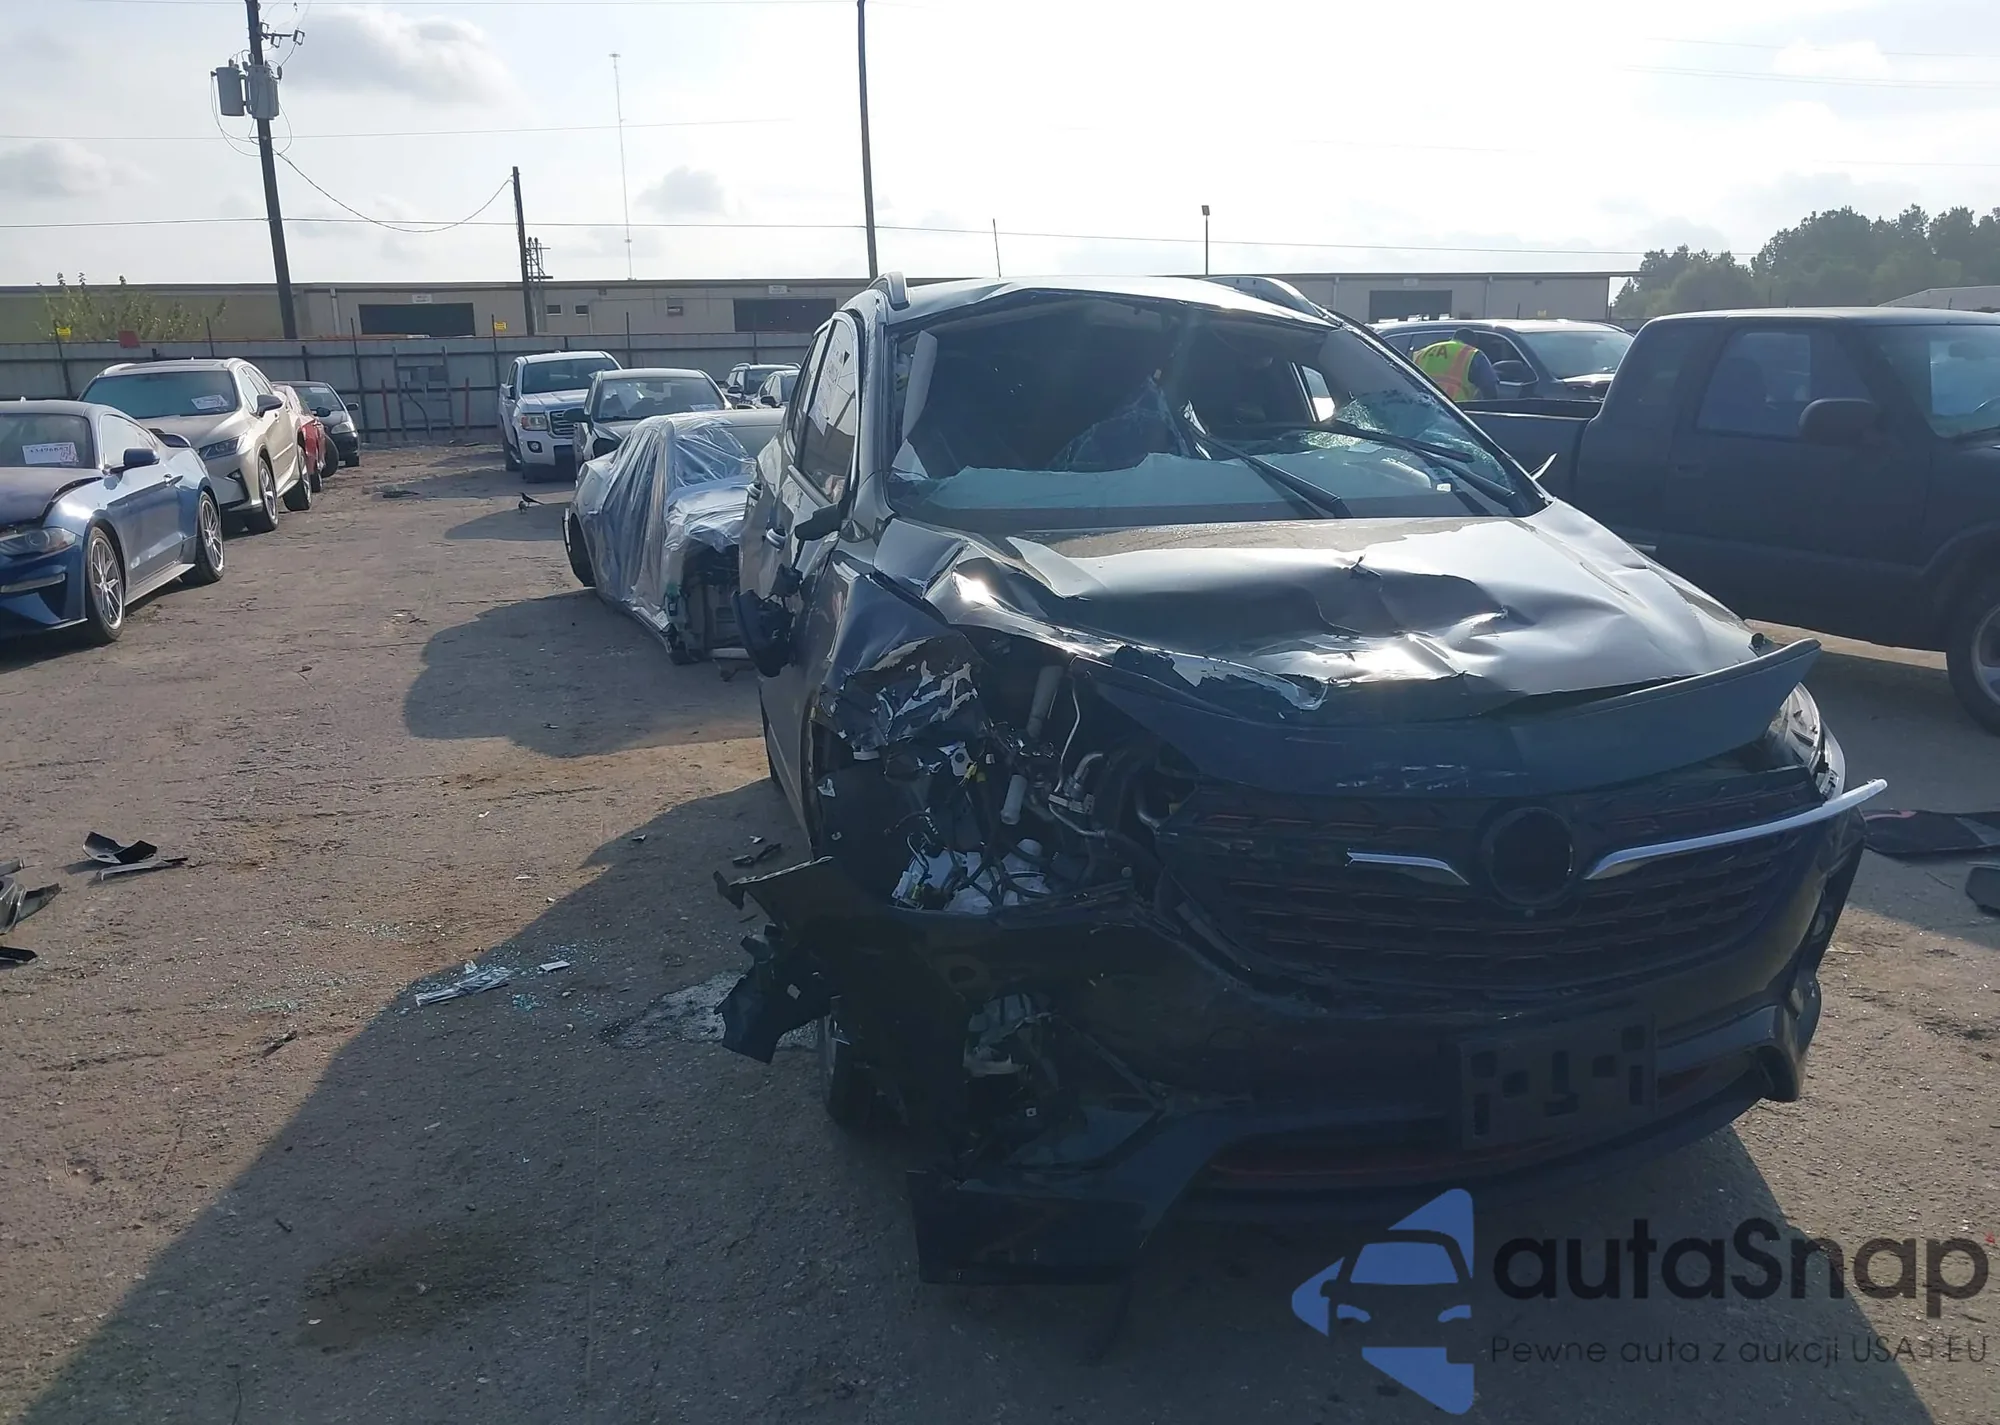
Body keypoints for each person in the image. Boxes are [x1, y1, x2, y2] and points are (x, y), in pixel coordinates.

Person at [1411, 329, 1501, 402]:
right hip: (1455, 408)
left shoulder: (1423, 352)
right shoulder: (1473, 354)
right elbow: (1489, 388)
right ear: (1473, 343)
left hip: (1422, 404)